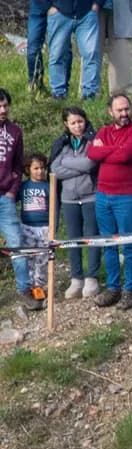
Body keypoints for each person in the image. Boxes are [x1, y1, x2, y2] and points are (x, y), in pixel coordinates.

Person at [88, 94, 132, 310]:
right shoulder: (103, 131)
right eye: (119, 110)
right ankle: (113, 288)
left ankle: (130, 291)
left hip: (126, 196)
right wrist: (113, 149)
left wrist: (106, 151)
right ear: (110, 111)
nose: (124, 114)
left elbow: (125, 155)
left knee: (128, 244)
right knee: (108, 244)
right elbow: (92, 152)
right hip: (103, 195)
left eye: (127, 109)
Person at [49, 107, 100, 300]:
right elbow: (55, 168)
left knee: (92, 237)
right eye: (73, 123)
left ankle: (91, 278)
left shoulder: (93, 140)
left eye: (80, 121)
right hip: (68, 198)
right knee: (73, 238)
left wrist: (69, 163)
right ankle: (76, 278)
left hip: (90, 196)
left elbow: (91, 163)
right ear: (66, 124)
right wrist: (80, 167)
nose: (78, 126)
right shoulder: (62, 143)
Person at [0, 90, 42, 311]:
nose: (3, 110)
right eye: (0, 106)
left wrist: (12, 191)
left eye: (6, 105)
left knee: (17, 244)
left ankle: (24, 290)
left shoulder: (15, 132)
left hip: (5, 197)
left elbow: (18, 166)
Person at [20, 153, 50, 299]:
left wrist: (53, 227)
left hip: (45, 227)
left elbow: (54, 207)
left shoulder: (48, 186)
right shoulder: (23, 186)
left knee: (43, 258)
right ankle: (29, 287)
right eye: (36, 168)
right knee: (29, 257)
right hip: (27, 227)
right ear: (28, 169)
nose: (40, 171)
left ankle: (40, 286)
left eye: (42, 168)